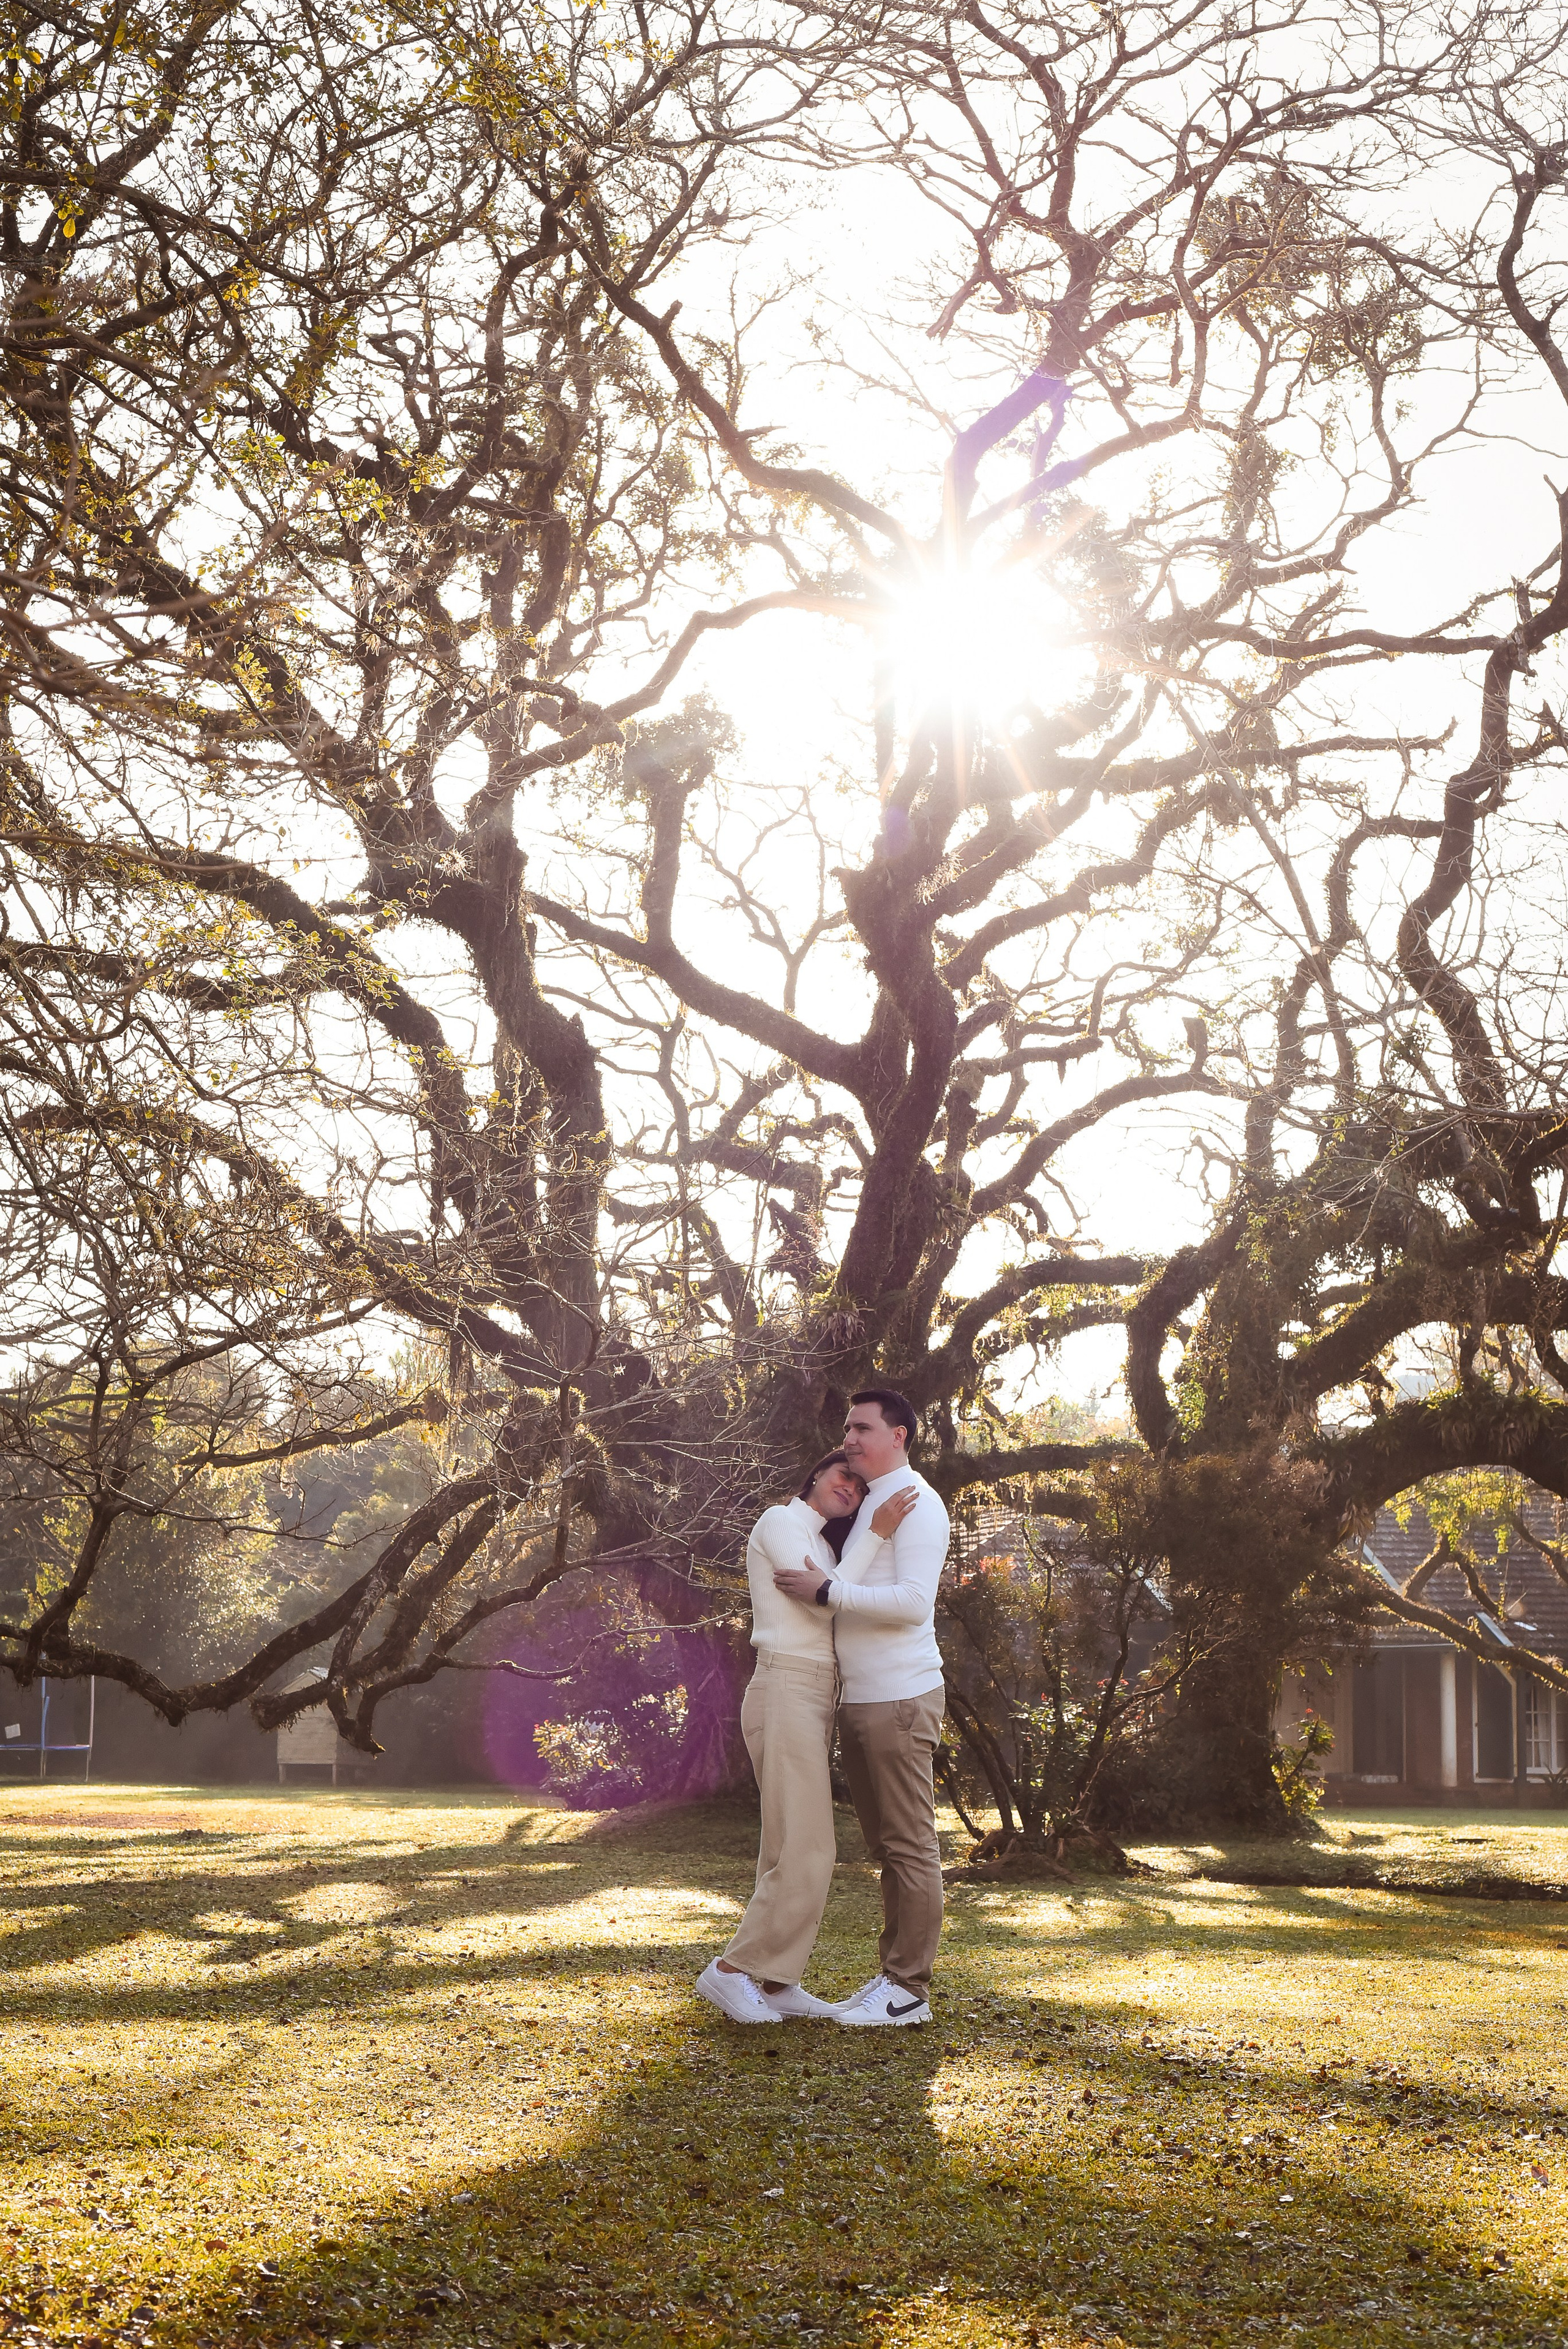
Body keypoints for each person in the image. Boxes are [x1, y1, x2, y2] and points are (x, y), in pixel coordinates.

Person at [695, 1452, 918, 2026]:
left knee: (784, 1846)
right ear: (815, 1475)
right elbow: (822, 1607)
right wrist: (877, 1533)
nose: (850, 1485)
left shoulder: (824, 1550)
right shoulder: (780, 1521)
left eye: (859, 1483)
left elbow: (832, 1594)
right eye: (841, 1473)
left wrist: (839, 1573)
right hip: (786, 1681)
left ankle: (776, 1980)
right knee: (812, 1846)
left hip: (817, 1692)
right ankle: (730, 1970)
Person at [772, 1388, 949, 2027]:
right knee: (887, 1849)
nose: (848, 1437)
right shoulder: (873, 1503)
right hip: (863, 1698)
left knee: (909, 1846)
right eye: (846, 1427)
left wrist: (827, 1589)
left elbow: (911, 1603)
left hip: (900, 1697)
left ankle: (908, 1990)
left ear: (898, 1434)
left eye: (861, 1427)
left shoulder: (918, 1504)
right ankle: (891, 1980)